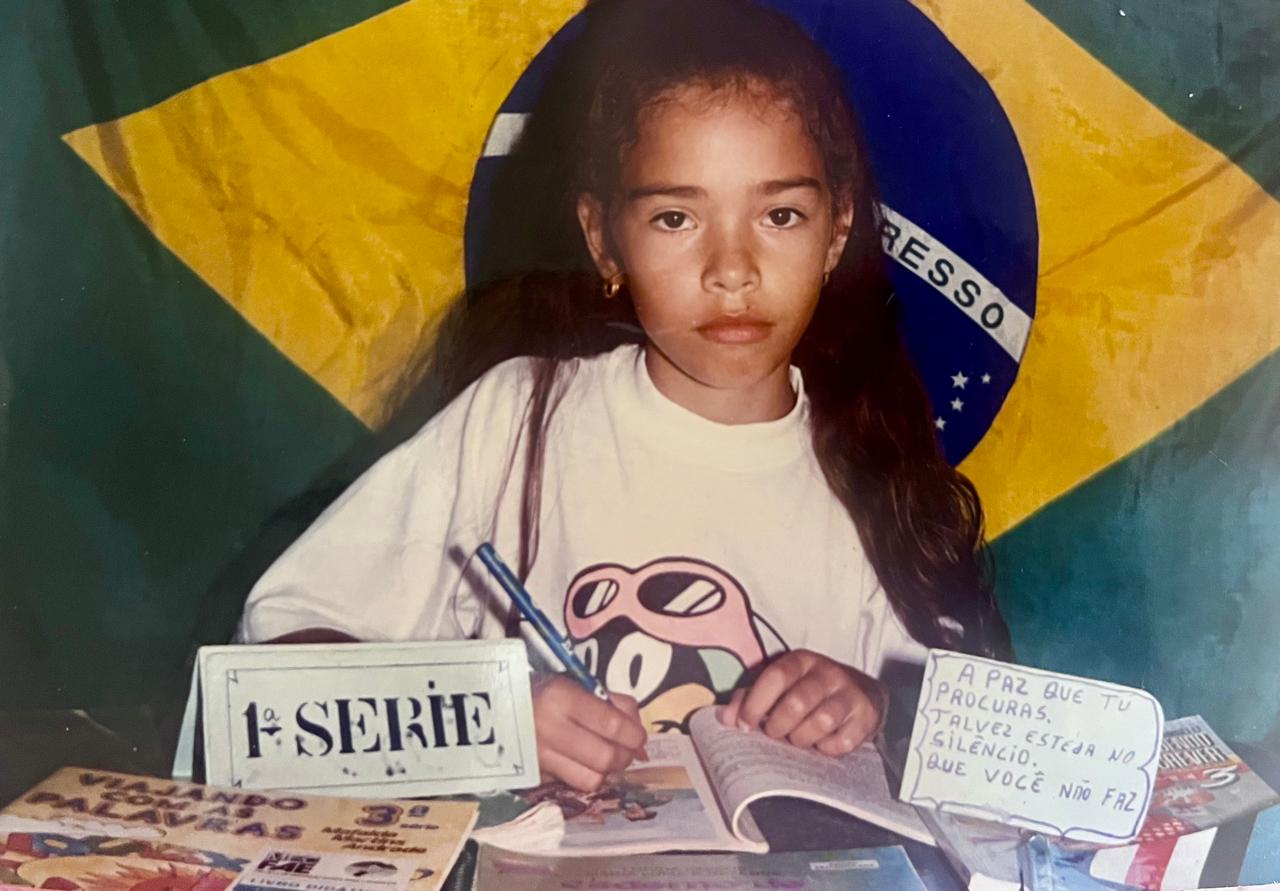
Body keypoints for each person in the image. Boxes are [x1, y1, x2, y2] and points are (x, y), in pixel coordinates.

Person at [237, 0, 1011, 793]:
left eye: (780, 214)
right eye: (676, 217)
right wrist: (490, 711)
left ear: (837, 231)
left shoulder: (870, 472)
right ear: (605, 240)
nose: (732, 268)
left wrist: (878, 707)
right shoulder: (515, 419)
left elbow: (1000, 760)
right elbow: (265, 677)